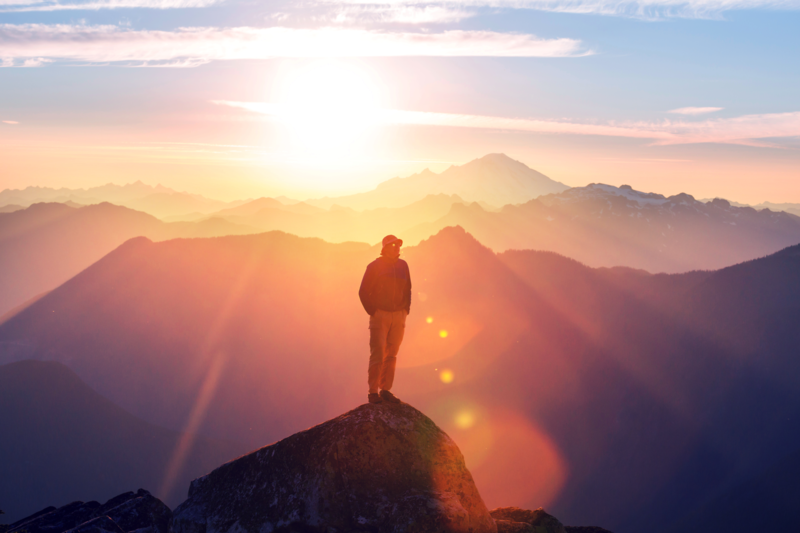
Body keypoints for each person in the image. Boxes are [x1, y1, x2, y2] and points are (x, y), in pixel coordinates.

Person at [358, 235, 411, 404]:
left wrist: (405, 310)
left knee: (392, 354)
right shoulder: (374, 266)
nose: (397, 247)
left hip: (399, 315)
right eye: (393, 245)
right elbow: (363, 291)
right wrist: (373, 311)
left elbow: (408, 288)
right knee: (378, 353)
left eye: (398, 245)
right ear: (385, 248)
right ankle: (373, 392)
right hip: (380, 315)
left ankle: (385, 390)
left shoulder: (403, 265)